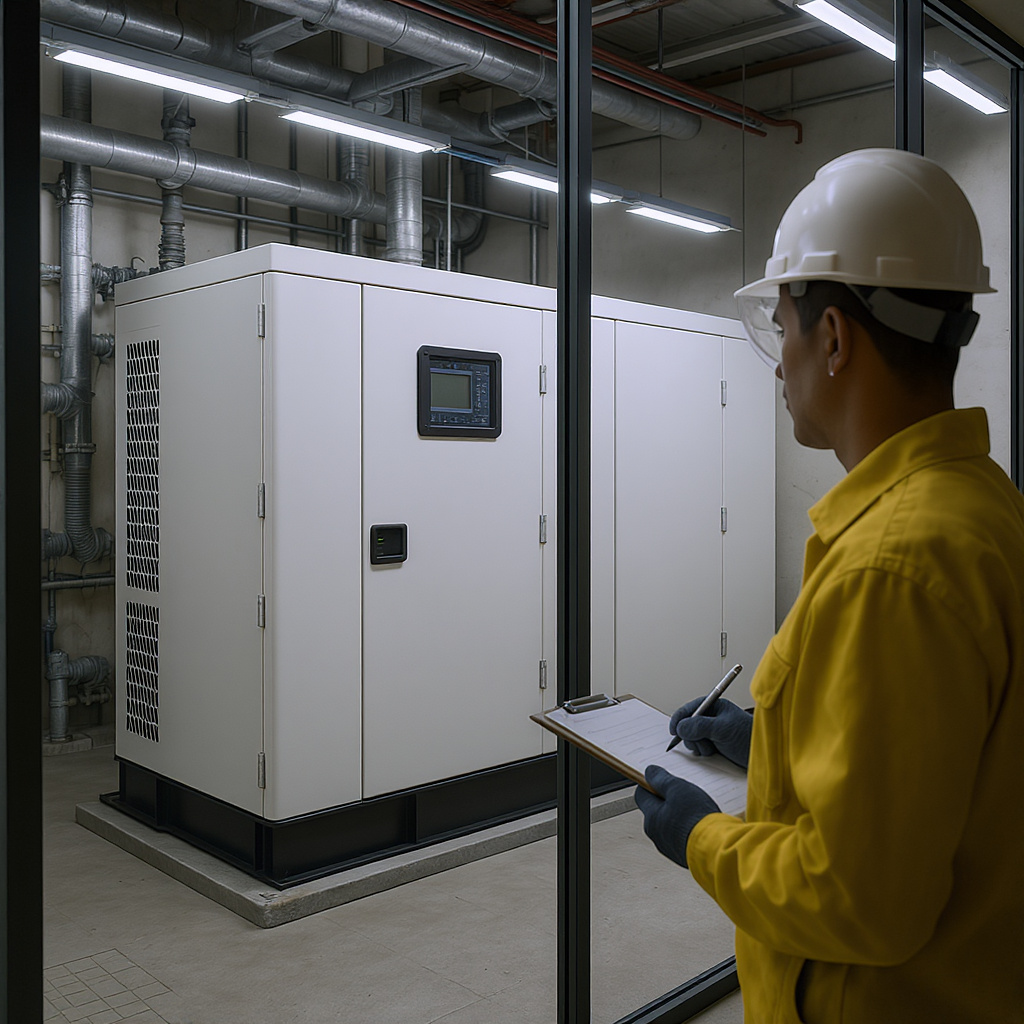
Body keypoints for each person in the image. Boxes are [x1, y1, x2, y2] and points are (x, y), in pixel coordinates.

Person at [634, 148, 1024, 1024]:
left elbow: (859, 899)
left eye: (783, 326)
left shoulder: (892, 566)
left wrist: (704, 839)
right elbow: (928, 773)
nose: (778, 365)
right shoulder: (979, 505)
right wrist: (765, 741)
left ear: (836, 338)